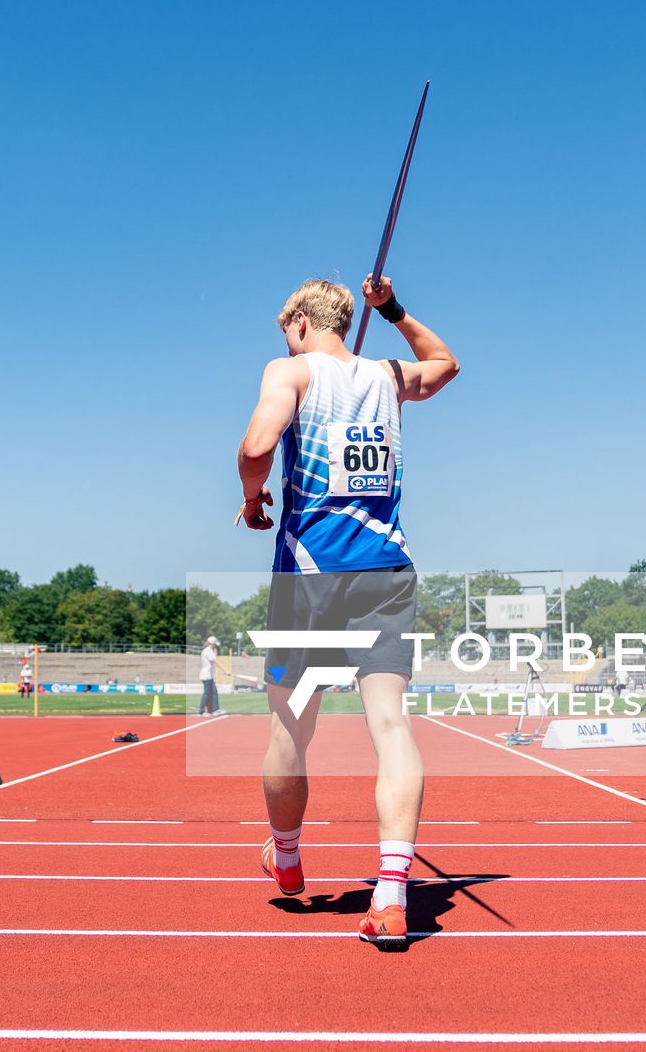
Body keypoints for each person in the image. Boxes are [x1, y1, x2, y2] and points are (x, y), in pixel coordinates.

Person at [236, 274, 459, 949]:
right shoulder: (389, 376)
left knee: (289, 732)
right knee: (391, 726)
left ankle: (289, 853)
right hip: (385, 570)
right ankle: (392, 893)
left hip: (309, 575)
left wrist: (253, 500)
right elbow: (446, 364)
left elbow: (255, 448)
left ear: (302, 321)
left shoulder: (291, 370)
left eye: (286, 329)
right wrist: (391, 310)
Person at [198, 635, 225, 715]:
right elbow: (215, 662)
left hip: (207, 675)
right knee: (207, 693)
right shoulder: (208, 651)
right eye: (215, 644)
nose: (215, 646)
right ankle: (202, 711)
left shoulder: (206, 651)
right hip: (206, 676)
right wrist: (224, 670)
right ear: (212, 643)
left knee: (213, 692)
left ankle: (214, 709)